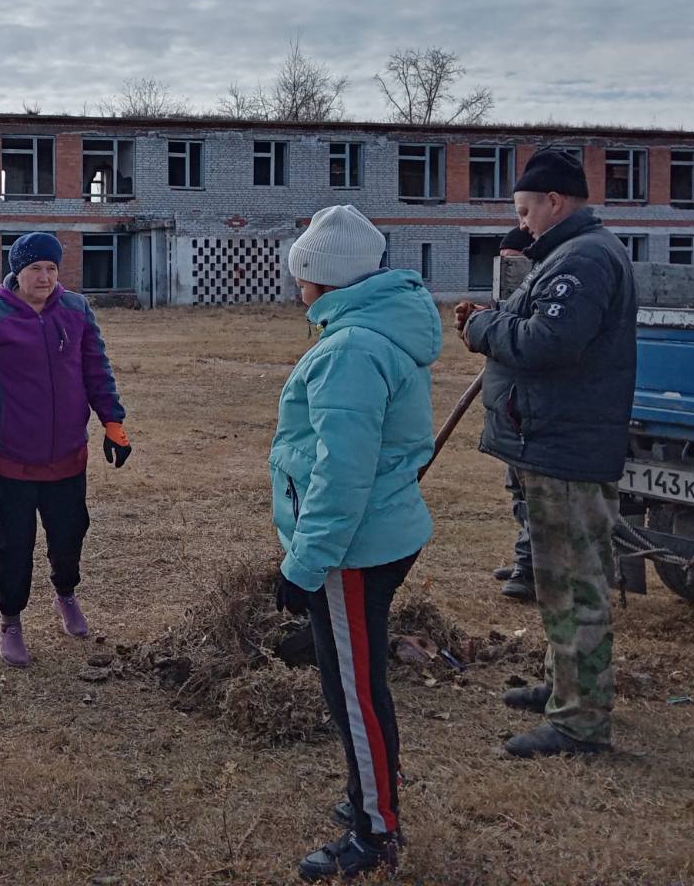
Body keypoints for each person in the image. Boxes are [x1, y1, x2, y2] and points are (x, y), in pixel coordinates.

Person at [269, 205, 439, 881]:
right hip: (374, 536)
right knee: (355, 683)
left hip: (353, 549)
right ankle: (368, 797)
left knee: (355, 691)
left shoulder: (350, 351)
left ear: (319, 276)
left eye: (300, 272)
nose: (295, 285)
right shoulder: (371, 330)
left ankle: (376, 830)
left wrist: (306, 563)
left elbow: (342, 472)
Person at [457, 146, 637, 759]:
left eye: (527, 209)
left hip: (565, 448)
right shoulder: (570, 253)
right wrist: (493, 315)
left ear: (555, 202)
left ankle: (580, 723)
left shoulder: (584, 258)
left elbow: (548, 344)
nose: (524, 221)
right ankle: (567, 686)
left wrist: (482, 329)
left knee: (574, 584)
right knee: (559, 580)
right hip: (554, 442)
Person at [0, 232, 131, 670]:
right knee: (14, 541)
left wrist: (113, 423)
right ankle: (11, 621)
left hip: (67, 450)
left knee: (69, 533)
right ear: (17, 272)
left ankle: (66, 593)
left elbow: (96, 369)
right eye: (34, 269)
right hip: (10, 454)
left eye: (50, 269)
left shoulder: (76, 310)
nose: (43, 277)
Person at [491, 225, 537, 602]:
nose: (507, 269)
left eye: (514, 262)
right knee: (519, 490)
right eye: (503, 262)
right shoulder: (508, 299)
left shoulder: (539, 296)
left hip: (535, 413)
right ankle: (526, 556)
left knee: (536, 493)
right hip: (512, 411)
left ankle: (531, 568)